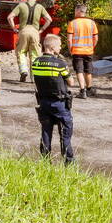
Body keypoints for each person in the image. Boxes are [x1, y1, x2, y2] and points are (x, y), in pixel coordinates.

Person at [31, 34, 75, 164]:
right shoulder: (60, 64)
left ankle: (45, 161)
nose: (61, 48)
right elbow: (71, 82)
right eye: (59, 45)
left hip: (43, 103)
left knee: (46, 132)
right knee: (65, 134)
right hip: (59, 104)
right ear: (52, 47)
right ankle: (69, 163)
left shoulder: (36, 63)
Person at [7, 0, 52, 83]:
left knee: (21, 52)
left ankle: (24, 71)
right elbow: (49, 19)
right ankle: (34, 77)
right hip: (35, 32)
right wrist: (42, 29)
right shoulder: (40, 7)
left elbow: (10, 17)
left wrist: (14, 28)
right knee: (35, 54)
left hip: (23, 31)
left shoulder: (21, 5)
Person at [66, 4, 99, 98]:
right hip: (89, 51)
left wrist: (70, 50)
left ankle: (82, 91)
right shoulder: (92, 23)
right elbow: (96, 38)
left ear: (78, 11)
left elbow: (69, 39)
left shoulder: (72, 23)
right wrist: (92, 47)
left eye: (74, 11)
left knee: (79, 71)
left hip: (77, 51)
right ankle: (89, 89)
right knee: (88, 71)